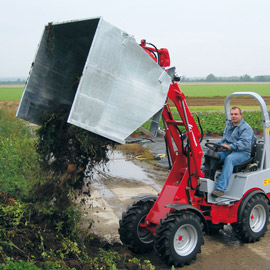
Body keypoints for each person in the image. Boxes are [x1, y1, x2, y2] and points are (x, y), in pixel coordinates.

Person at [211, 107, 255, 197]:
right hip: (229, 150)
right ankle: (204, 179)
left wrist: (230, 146)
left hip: (242, 153)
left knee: (229, 159)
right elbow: (224, 141)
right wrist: (215, 145)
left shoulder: (246, 128)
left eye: (236, 114)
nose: (233, 116)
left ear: (241, 115)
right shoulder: (229, 126)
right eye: (232, 114)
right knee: (213, 156)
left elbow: (245, 144)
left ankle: (220, 189)